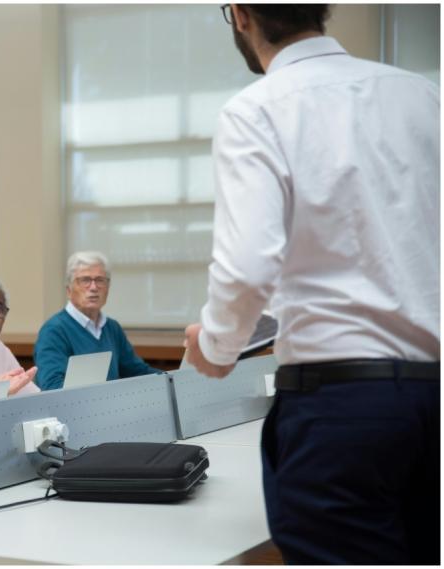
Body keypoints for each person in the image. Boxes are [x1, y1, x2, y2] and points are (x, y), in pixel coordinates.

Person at [183, 4, 439, 564]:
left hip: (341, 409)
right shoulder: (421, 96)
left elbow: (249, 266)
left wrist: (217, 346)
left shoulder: (257, 110)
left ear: (242, 16)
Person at [34, 251, 162, 390]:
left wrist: (170, 379)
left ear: (108, 287)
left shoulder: (112, 327)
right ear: (69, 290)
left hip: (112, 406)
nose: (94, 287)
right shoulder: (54, 331)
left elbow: (137, 372)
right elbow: (52, 387)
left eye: (100, 280)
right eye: (85, 280)